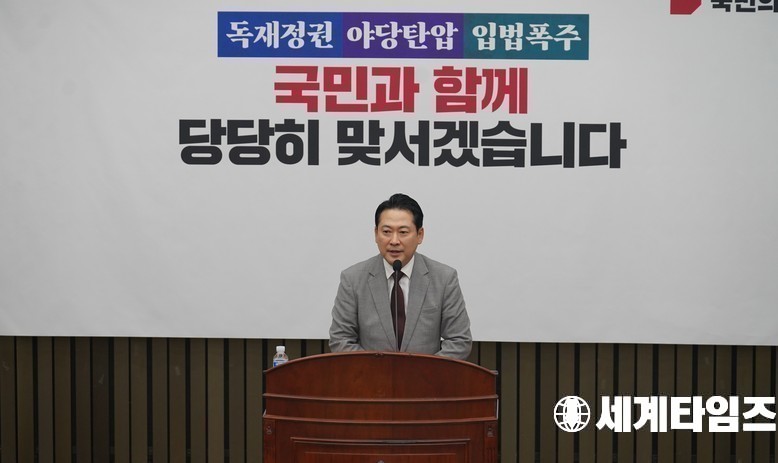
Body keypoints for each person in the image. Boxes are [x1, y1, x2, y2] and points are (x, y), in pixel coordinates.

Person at [329, 193, 472, 360]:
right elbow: (341, 340)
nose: (394, 241)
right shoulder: (352, 279)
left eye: (403, 232)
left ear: (420, 235)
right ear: (376, 234)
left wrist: (422, 371)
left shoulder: (444, 279)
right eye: (386, 232)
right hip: (371, 376)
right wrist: (378, 371)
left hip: (426, 376)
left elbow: (459, 341)